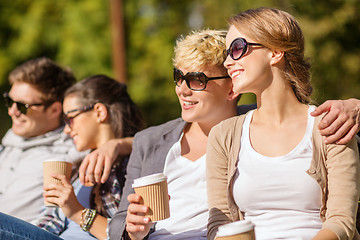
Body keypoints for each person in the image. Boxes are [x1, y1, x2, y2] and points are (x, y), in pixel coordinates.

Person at [206, 7, 360, 240]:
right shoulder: (223, 136)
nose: (227, 62)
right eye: (228, 52)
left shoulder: (331, 124)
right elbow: (219, 224)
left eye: (237, 49)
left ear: (276, 52)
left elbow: (341, 222)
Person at [108, 29, 241, 240]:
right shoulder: (148, 141)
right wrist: (133, 230)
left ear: (232, 88)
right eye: (179, 77)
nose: (182, 89)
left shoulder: (254, 132)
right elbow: (119, 221)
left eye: (197, 80)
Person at [36, 75, 145, 239]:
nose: (66, 130)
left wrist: (77, 211)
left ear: (99, 112)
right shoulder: (77, 166)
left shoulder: (131, 166)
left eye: (69, 119)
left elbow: (129, 235)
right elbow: (50, 222)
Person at [0, 57, 85, 223]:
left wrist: (117, 145)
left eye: (22, 106)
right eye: (8, 101)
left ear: (54, 109)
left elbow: (138, 141)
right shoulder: (7, 146)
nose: (12, 111)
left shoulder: (70, 149)